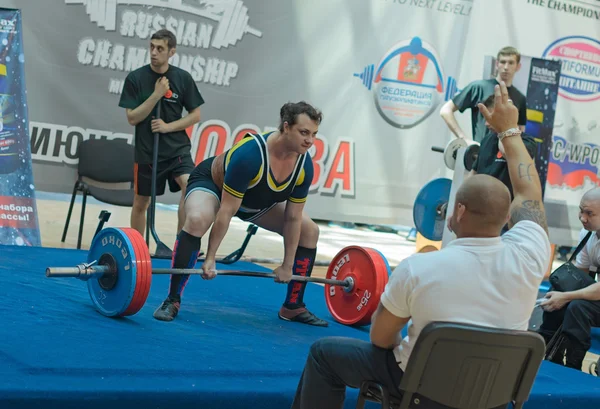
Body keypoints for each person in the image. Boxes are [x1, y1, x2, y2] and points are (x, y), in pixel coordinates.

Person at [291, 82, 551, 409]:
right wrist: (510, 131)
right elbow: (529, 193)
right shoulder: (530, 253)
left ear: (458, 210)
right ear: (506, 217)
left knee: (323, 354)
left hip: (420, 391)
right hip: (492, 397)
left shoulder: (419, 268)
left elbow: (381, 339)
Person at [152, 101, 328, 327]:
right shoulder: (250, 155)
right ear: (285, 127)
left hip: (254, 202)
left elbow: (293, 217)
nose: (310, 141)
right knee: (197, 220)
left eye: (314, 134)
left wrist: (287, 264)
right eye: (304, 132)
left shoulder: (304, 166)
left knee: (310, 231)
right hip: (213, 186)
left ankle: (293, 306)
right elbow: (226, 211)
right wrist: (211, 257)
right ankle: (172, 299)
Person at [119, 29, 204, 237]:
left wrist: (168, 127)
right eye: (151, 47)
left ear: (171, 52)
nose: (154, 52)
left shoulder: (182, 78)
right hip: (148, 152)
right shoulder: (135, 78)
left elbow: (195, 115)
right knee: (141, 202)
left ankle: (181, 245)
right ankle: (139, 250)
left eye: (160, 48)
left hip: (177, 150)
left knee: (189, 186)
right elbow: (132, 118)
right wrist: (156, 95)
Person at [538, 187, 600, 371]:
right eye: (581, 210)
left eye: (589, 213)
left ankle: (573, 366)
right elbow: (579, 278)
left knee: (577, 306)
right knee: (559, 290)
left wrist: (566, 297)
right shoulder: (588, 234)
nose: (582, 217)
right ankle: (549, 351)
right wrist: (561, 294)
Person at [440, 46, 527, 143]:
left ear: (518, 66)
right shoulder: (478, 87)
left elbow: (520, 130)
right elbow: (445, 110)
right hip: (480, 153)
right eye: (503, 62)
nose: (506, 67)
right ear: (497, 64)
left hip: (506, 155)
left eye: (511, 63)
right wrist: (464, 139)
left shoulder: (521, 98)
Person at [470, 94, 538, 201]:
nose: (487, 123)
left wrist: (505, 128)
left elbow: (508, 153)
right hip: (481, 206)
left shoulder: (527, 142)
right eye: (485, 118)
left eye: (491, 117)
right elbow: (474, 173)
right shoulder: (486, 140)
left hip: (507, 211)